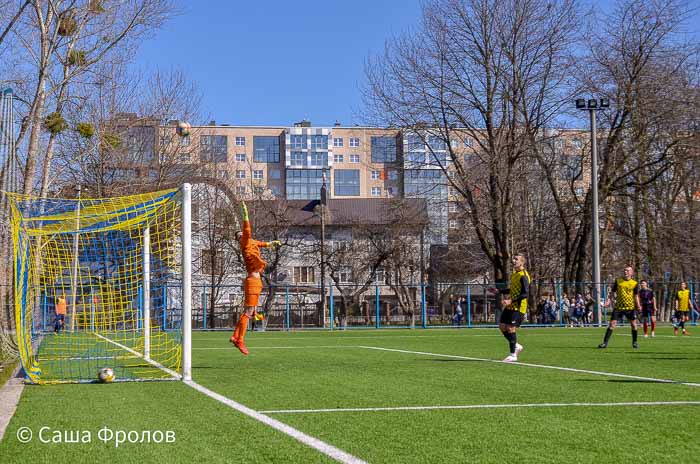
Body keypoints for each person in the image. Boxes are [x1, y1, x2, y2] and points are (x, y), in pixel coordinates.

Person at [230, 202, 281, 355]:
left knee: (250, 311)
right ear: (239, 239)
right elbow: (247, 230)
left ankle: (235, 337)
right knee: (247, 312)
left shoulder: (251, 242)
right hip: (252, 281)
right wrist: (245, 214)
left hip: (256, 281)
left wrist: (271, 243)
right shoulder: (245, 243)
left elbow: (261, 243)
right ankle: (239, 339)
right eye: (239, 236)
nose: (241, 235)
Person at [598, 265, 641, 349]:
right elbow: (611, 293)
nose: (625, 272)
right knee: (612, 324)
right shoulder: (618, 281)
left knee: (633, 325)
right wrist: (608, 302)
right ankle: (604, 343)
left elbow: (636, 296)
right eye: (625, 270)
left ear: (631, 273)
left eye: (627, 271)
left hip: (630, 308)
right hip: (618, 307)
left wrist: (638, 305)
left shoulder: (634, 283)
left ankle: (635, 342)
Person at [500, 253, 531, 362]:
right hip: (511, 305)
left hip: (519, 307)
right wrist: (499, 291)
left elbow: (525, 294)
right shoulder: (514, 274)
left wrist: (510, 300)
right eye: (513, 259)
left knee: (510, 328)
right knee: (502, 326)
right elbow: (512, 290)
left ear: (522, 262)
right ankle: (517, 345)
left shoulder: (524, 276)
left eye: (516, 259)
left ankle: (513, 355)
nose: (513, 261)